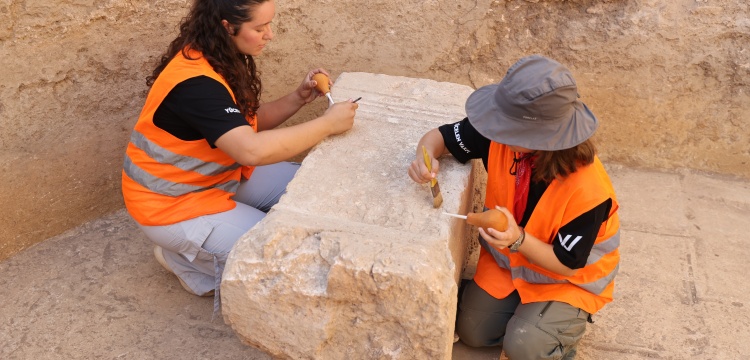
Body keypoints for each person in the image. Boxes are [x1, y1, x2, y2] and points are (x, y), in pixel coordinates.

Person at [121, 0, 358, 301]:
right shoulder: (196, 84)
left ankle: (204, 250)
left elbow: (244, 127)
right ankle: (186, 261)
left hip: (215, 178)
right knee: (281, 257)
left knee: (311, 189)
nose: (269, 35)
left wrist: (297, 99)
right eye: (259, 28)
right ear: (227, 27)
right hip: (171, 205)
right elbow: (251, 151)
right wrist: (327, 124)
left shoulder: (217, 56)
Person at [408, 55, 620, 359]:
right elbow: (438, 138)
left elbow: (566, 263)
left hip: (566, 281)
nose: (496, 129)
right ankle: (530, 317)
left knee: (524, 347)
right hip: (511, 264)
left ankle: (555, 331)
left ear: (540, 136)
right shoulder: (500, 134)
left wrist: (517, 239)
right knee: (472, 330)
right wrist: (424, 159)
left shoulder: (590, 191)